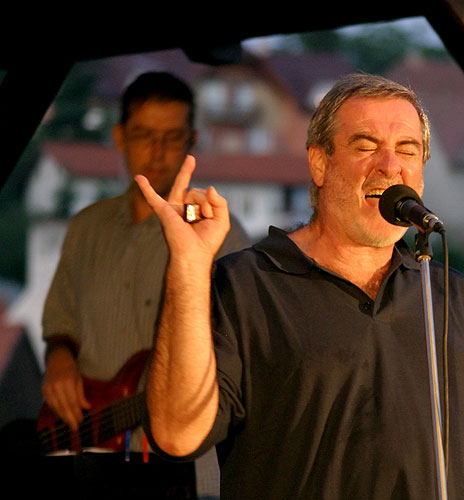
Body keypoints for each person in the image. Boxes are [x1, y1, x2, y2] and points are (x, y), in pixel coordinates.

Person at [137, 73, 464, 499]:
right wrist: (187, 267)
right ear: (319, 163)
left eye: (408, 150)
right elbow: (178, 432)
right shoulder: (243, 287)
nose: (390, 165)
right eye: (366, 145)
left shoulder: (457, 301)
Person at [39, 71, 249, 499]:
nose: (158, 151)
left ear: (192, 141)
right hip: (88, 441)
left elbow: (240, 351)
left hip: (180, 465)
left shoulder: (222, 232)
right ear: (119, 137)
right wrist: (59, 356)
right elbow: (60, 321)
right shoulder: (86, 227)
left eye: (172, 137)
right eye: (143, 135)